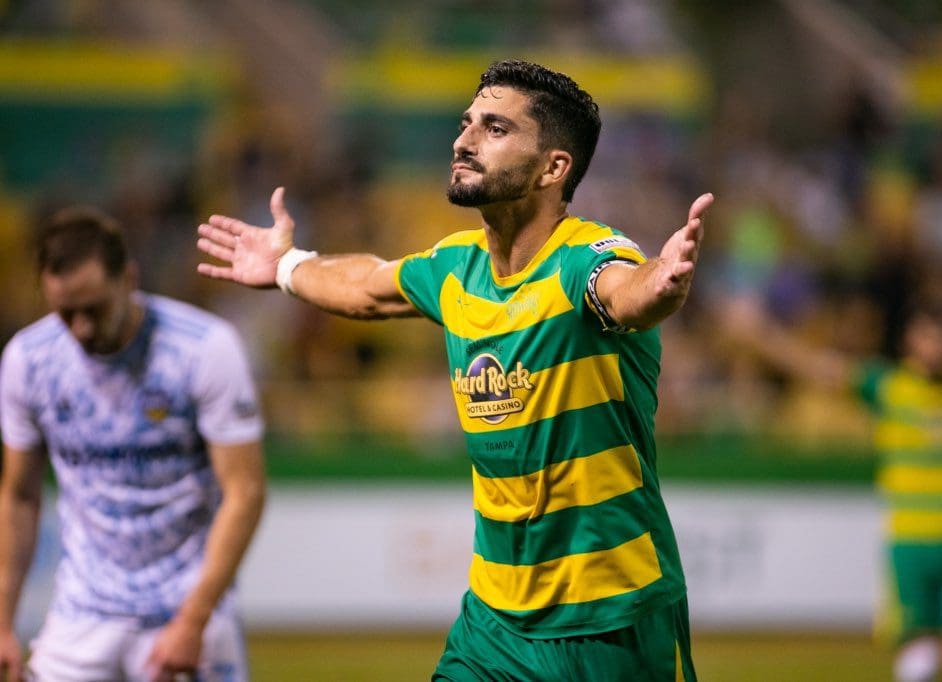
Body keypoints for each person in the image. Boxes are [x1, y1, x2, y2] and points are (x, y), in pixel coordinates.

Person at [196, 59, 713, 681]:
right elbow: (367, 287)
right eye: (467, 123)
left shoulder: (585, 257)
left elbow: (626, 291)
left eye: (495, 129)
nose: (463, 141)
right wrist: (285, 266)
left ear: (553, 168)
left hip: (611, 621)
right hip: (493, 623)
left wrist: (663, 280)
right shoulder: (455, 267)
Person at [0, 207, 266, 682]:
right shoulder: (29, 360)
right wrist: (2, 622)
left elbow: (244, 491)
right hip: (83, 613)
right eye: (65, 313)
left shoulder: (202, 349)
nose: (81, 328)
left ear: (128, 279)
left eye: (94, 309)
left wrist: (193, 619)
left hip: (186, 607)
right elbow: (19, 495)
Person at [721, 292, 942, 682]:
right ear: (911, 339)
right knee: (920, 659)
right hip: (910, 548)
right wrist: (761, 335)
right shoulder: (891, 388)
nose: (938, 347)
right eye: (929, 336)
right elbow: (820, 369)